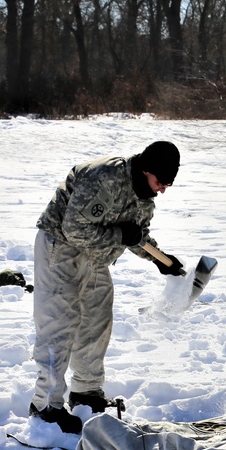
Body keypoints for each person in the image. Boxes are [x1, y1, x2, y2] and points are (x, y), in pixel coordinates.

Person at [29, 141, 187, 434]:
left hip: (97, 255)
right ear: (145, 169)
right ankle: (45, 406)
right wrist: (119, 234)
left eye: (169, 184)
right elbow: (73, 229)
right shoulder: (102, 177)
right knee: (59, 324)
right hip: (59, 248)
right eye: (161, 181)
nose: (163, 189)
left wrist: (160, 260)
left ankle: (86, 391)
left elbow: (135, 234)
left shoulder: (145, 195)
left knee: (96, 321)